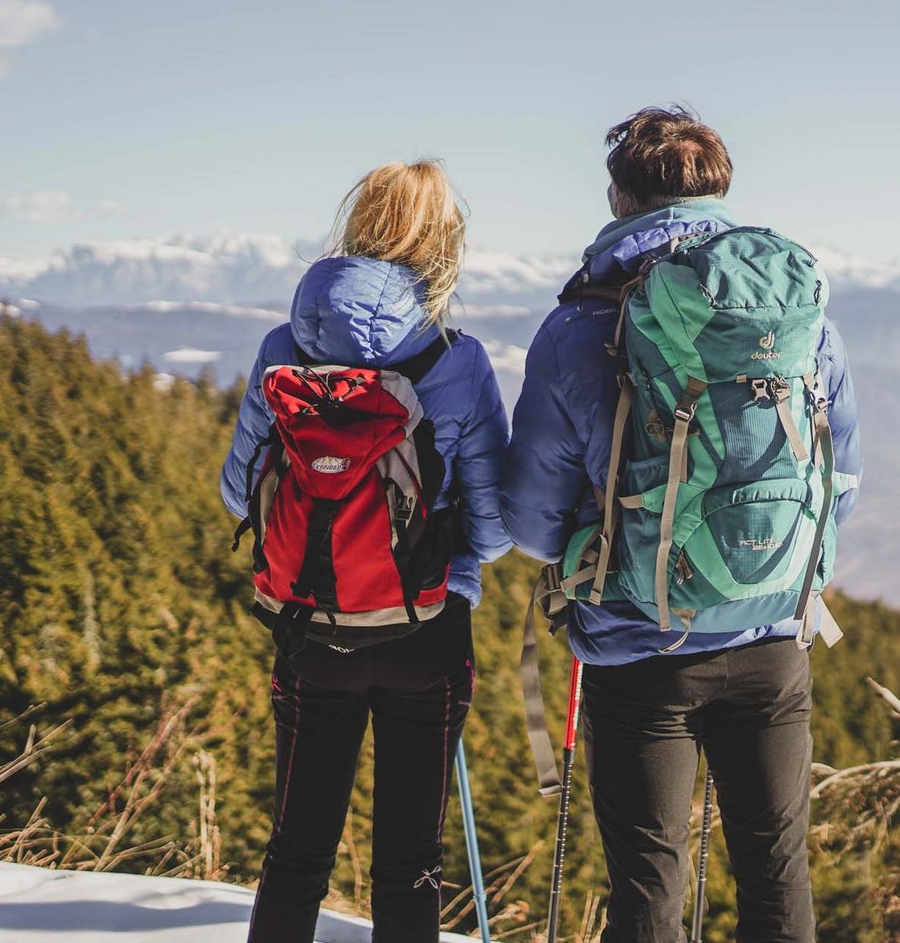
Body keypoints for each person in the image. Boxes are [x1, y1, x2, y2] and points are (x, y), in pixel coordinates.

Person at [504, 107, 862, 942]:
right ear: (723, 190)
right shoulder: (801, 322)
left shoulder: (578, 329)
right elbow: (840, 475)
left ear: (617, 197)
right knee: (778, 881)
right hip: (774, 636)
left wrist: (591, 553)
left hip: (639, 646)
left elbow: (529, 515)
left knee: (650, 890)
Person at [220, 160, 510, 943]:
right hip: (425, 630)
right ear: (441, 243)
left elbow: (237, 491)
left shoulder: (284, 344)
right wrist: (454, 565)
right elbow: (493, 525)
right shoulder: (456, 359)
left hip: (309, 627)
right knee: (411, 856)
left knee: (296, 850)